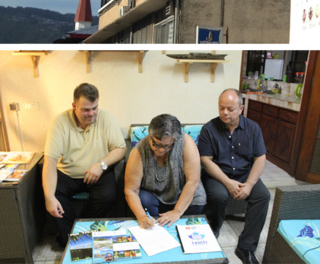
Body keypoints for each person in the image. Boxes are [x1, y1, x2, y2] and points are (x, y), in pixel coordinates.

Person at [43, 83, 126, 248]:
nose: (92, 113)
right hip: (67, 173)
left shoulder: (106, 118)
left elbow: (121, 149)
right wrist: (49, 197)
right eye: (86, 109)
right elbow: (50, 162)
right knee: (53, 195)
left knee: (108, 195)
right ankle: (77, 238)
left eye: (94, 108)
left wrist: (100, 164)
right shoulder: (59, 122)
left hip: (98, 173)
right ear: (74, 106)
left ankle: (74, 232)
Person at [199, 89, 270, 264]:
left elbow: (260, 158)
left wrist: (250, 184)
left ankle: (246, 247)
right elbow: (206, 161)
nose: (225, 112)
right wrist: (227, 182)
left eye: (230, 109)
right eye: (221, 108)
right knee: (218, 195)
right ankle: (214, 228)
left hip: (245, 173)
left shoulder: (253, 128)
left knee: (263, 196)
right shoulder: (209, 129)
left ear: (241, 108)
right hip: (218, 174)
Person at [124, 114, 206, 228]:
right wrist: (142, 216)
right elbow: (131, 190)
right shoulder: (140, 150)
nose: (161, 150)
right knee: (144, 199)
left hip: (182, 194)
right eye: (156, 144)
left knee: (198, 198)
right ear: (150, 136)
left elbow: (193, 180)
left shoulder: (186, 142)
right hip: (154, 197)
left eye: (167, 146)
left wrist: (177, 211)